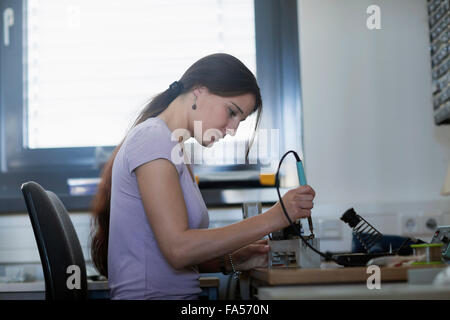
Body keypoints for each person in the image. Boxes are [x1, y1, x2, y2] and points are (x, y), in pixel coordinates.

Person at [90, 53, 316, 299]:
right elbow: (178, 249)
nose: (232, 129)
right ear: (199, 91)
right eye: (232, 112)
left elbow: (173, 257)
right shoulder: (154, 139)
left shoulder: (173, 148)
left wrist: (234, 259)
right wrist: (276, 216)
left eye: (240, 120)